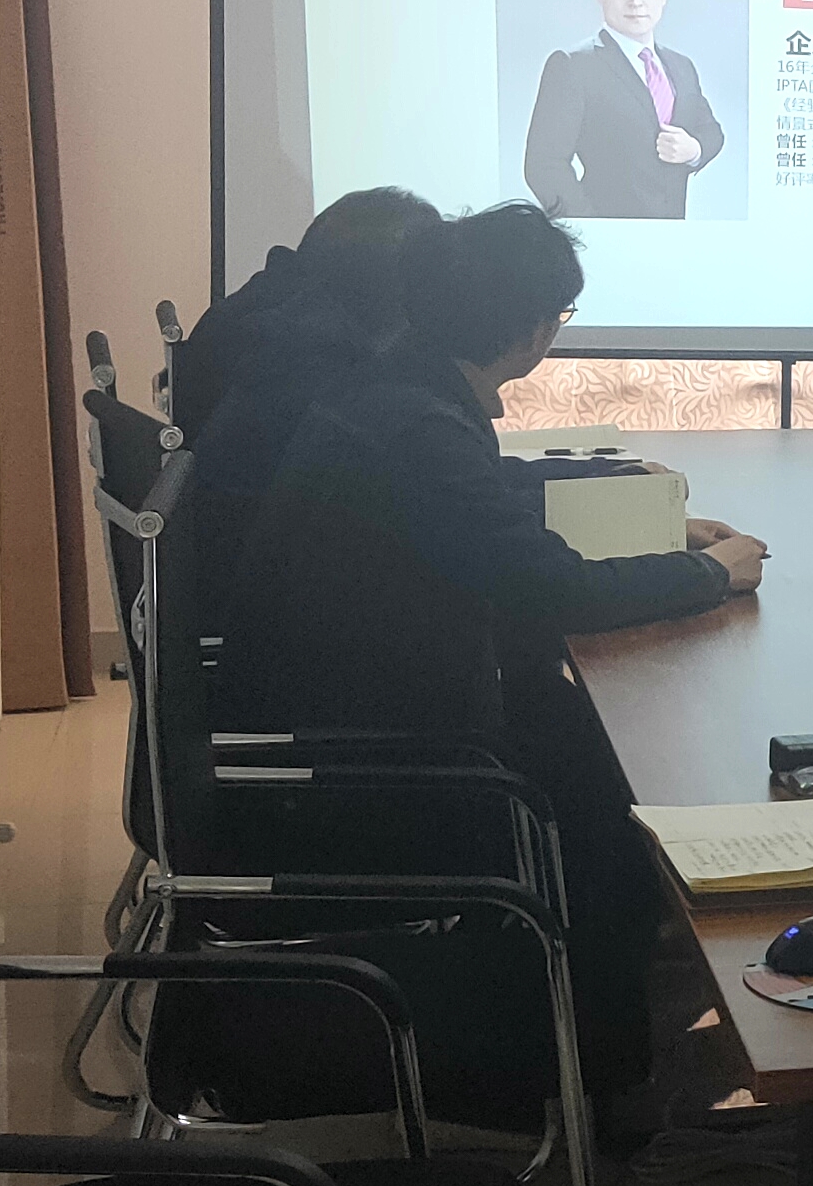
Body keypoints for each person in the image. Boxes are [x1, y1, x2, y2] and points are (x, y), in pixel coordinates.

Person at [217, 203, 767, 1096]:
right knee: (610, 789)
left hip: (342, 725)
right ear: (533, 328)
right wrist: (709, 574)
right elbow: (555, 590)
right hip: (369, 775)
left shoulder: (395, 389)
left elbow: (483, 500)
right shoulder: (418, 427)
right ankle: (609, 1078)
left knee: (590, 749)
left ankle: (631, 1002)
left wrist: (629, 502)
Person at [165, 186, 442, 559]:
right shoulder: (311, 352)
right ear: (397, 286)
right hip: (266, 568)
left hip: (226, 545)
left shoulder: (260, 309)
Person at [523, 0, 723, 219]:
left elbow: (711, 131)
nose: (635, 1)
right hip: (605, 237)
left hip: (676, 237)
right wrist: (591, 228)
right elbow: (544, 165)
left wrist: (695, 150)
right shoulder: (573, 65)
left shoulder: (681, 66)